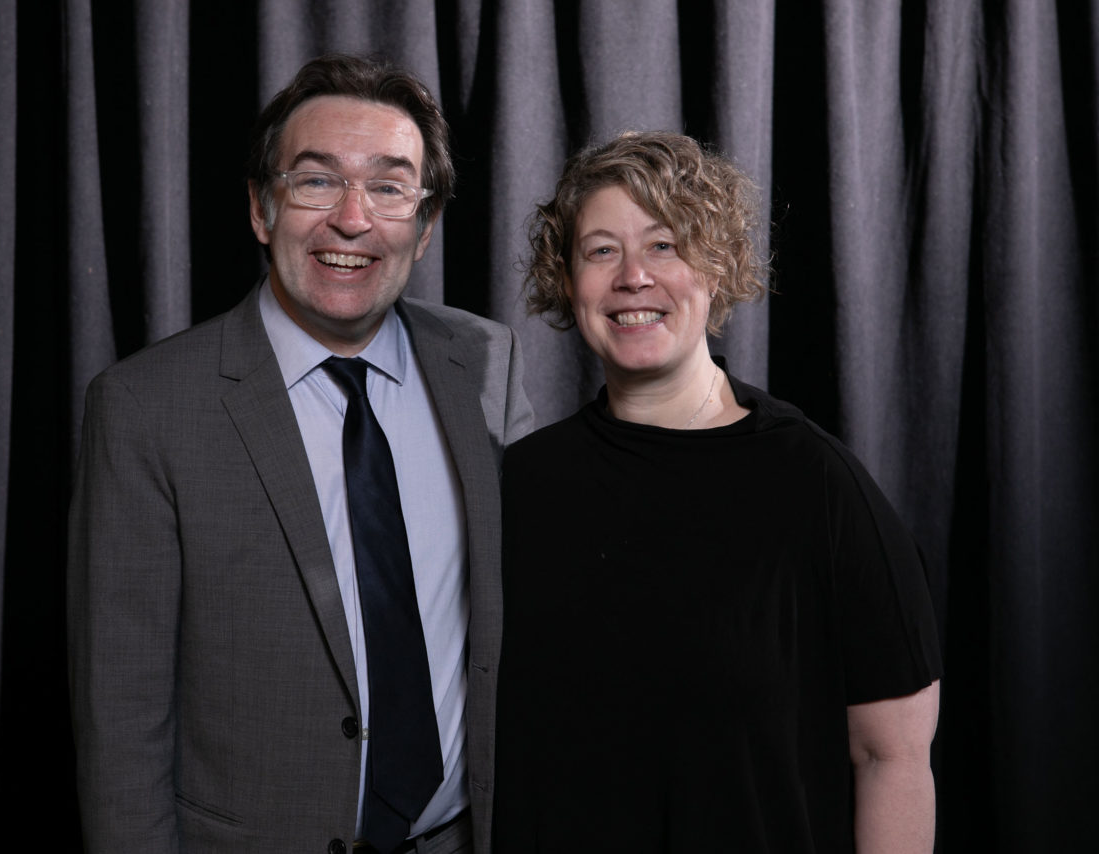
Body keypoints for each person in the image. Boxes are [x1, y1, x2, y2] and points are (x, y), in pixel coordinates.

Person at [68, 54, 533, 854]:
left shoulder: (486, 365)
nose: (352, 219)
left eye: (389, 188)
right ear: (260, 207)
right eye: (317, 181)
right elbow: (121, 722)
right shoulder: (146, 408)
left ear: (423, 229)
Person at [493, 131, 942, 852]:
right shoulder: (523, 484)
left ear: (718, 267)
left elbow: (892, 757)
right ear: (566, 280)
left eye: (664, 245)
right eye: (601, 249)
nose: (633, 276)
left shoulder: (818, 485)